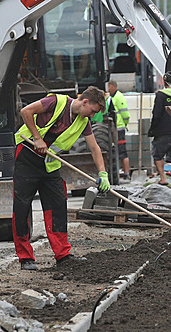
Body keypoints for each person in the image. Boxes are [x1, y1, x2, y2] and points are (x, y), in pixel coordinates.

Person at [13, 86, 109, 271]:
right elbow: (26, 111)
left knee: (57, 205)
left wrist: (102, 173)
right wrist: (37, 138)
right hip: (27, 156)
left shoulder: (83, 121)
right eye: (93, 111)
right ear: (85, 102)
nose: (91, 115)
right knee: (22, 206)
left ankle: (63, 254)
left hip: (49, 164)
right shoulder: (56, 102)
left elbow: (95, 147)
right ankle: (25, 258)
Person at [148, 84, 171, 191]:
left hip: (162, 131)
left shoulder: (160, 95)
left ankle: (163, 179)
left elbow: (157, 114)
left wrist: (152, 128)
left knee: (157, 155)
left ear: (165, 83)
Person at [53, 1, 91, 80]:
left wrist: (85, 33)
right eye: (79, 11)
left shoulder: (84, 23)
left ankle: (79, 77)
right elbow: (56, 35)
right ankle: (59, 77)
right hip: (65, 48)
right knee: (57, 54)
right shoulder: (63, 23)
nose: (81, 14)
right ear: (74, 11)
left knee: (85, 54)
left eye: (82, 11)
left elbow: (91, 34)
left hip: (79, 48)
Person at [106, 80, 131, 179]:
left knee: (122, 151)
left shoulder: (118, 97)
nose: (107, 89)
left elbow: (125, 114)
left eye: (109, 86)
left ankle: (126, 174)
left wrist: (123, 124)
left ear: (113, 86)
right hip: (115, 128)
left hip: (119, 128)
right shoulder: (111, 98)